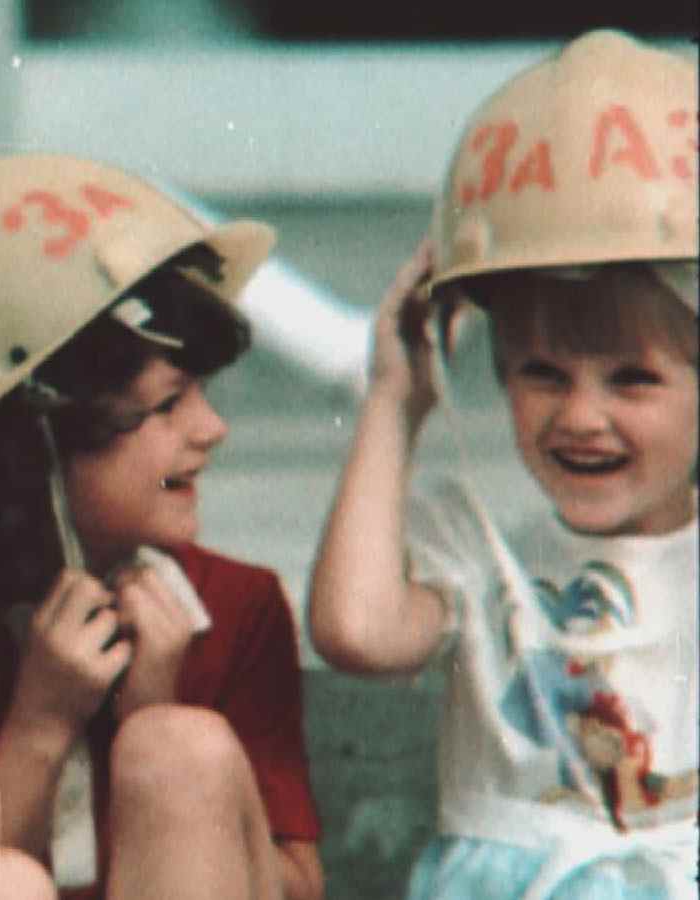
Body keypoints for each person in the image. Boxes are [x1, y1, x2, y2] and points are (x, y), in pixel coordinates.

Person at [0, 154, 323, 900]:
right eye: (166, 406)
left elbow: (298, 889)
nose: (212, 428)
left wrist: (151, 716)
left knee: (181, 747)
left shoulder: (236, 608)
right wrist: (39, 726)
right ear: (24, 451)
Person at [307, 30, 697, 899]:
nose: (581, 416)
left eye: (632, 379)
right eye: (541, 373)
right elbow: (356, 632)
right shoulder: (478, 547)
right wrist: (392, 400)